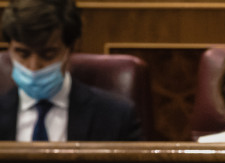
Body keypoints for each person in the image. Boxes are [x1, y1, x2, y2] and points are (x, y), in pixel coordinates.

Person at [0, 0, 141, 141]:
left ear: (70, 49)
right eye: (23, 54)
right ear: (9, 50)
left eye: (48, 54)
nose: (34, 67)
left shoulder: (115, 116)